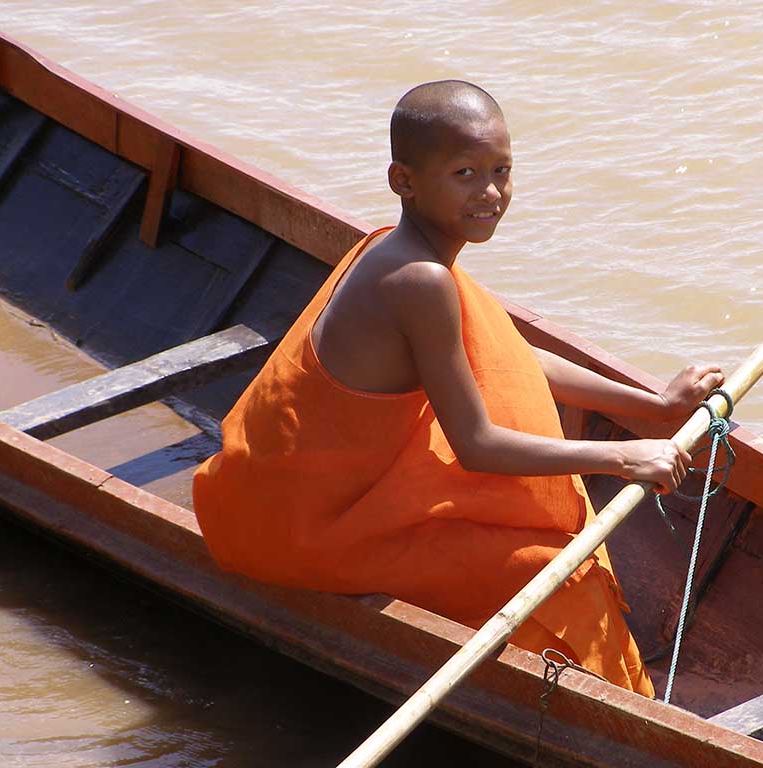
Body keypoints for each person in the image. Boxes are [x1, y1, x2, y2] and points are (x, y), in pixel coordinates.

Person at [192, 80, 723, 696]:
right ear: (404, 181)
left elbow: (513, 362)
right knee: (557, 573)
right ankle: (618, 711)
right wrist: (622, 454)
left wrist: (653, 407)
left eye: (502, 170)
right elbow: (476, 446)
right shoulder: (419, 280)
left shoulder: (402, 250)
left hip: (301, 499)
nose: (492, 192)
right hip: (306, 531)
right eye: (466, 172)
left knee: (541, 546)